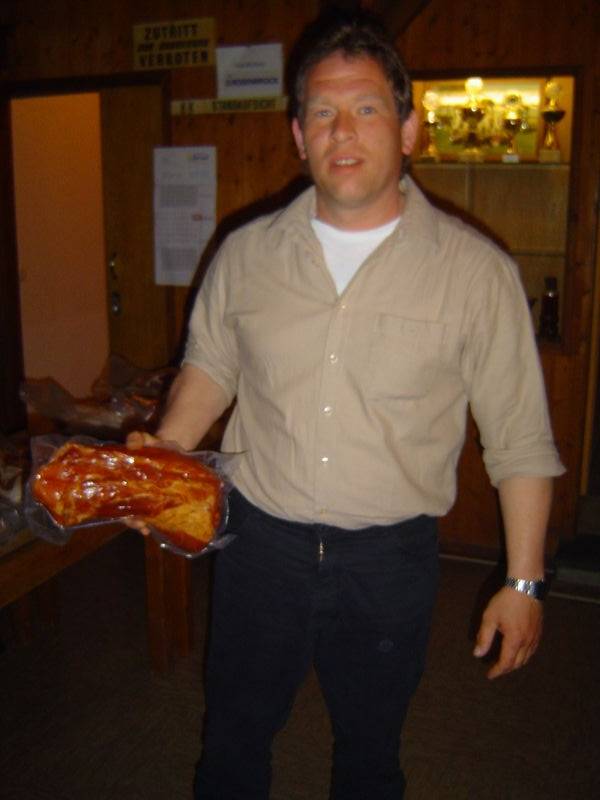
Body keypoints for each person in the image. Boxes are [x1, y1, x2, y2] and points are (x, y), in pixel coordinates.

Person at [128, 9, 564, 799]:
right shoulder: (246, 253)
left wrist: (524, 582)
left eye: (366, 107)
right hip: (260, 547)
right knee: (231, 742)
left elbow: (521, 440)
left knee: (370, 755)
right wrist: (166, 455)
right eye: (323, 112)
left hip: (389, 563)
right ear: (299, 135)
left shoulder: (477, 274)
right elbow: (212, 365)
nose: (343, 130)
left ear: (409, 129)